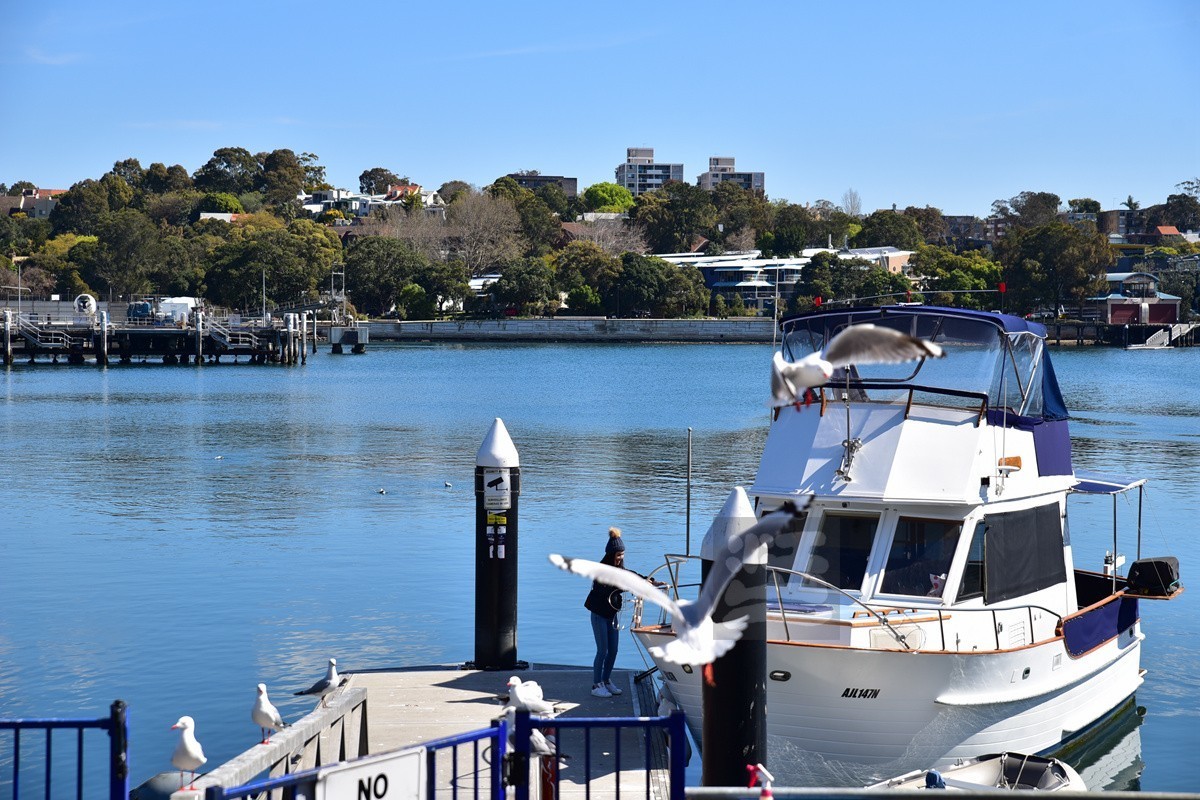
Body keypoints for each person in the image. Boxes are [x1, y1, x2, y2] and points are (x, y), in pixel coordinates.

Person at [583, 527, 662, 698]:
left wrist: (651, 581)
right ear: (611, 555)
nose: (621, 558)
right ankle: (596, 685)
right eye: (618, 555)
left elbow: (631, 576)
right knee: (602, 650)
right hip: (599, 615)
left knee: (614, 650)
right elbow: (610, 586)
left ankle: (606, 680)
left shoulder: (620, 569)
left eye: (622, 555)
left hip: (612, 615)